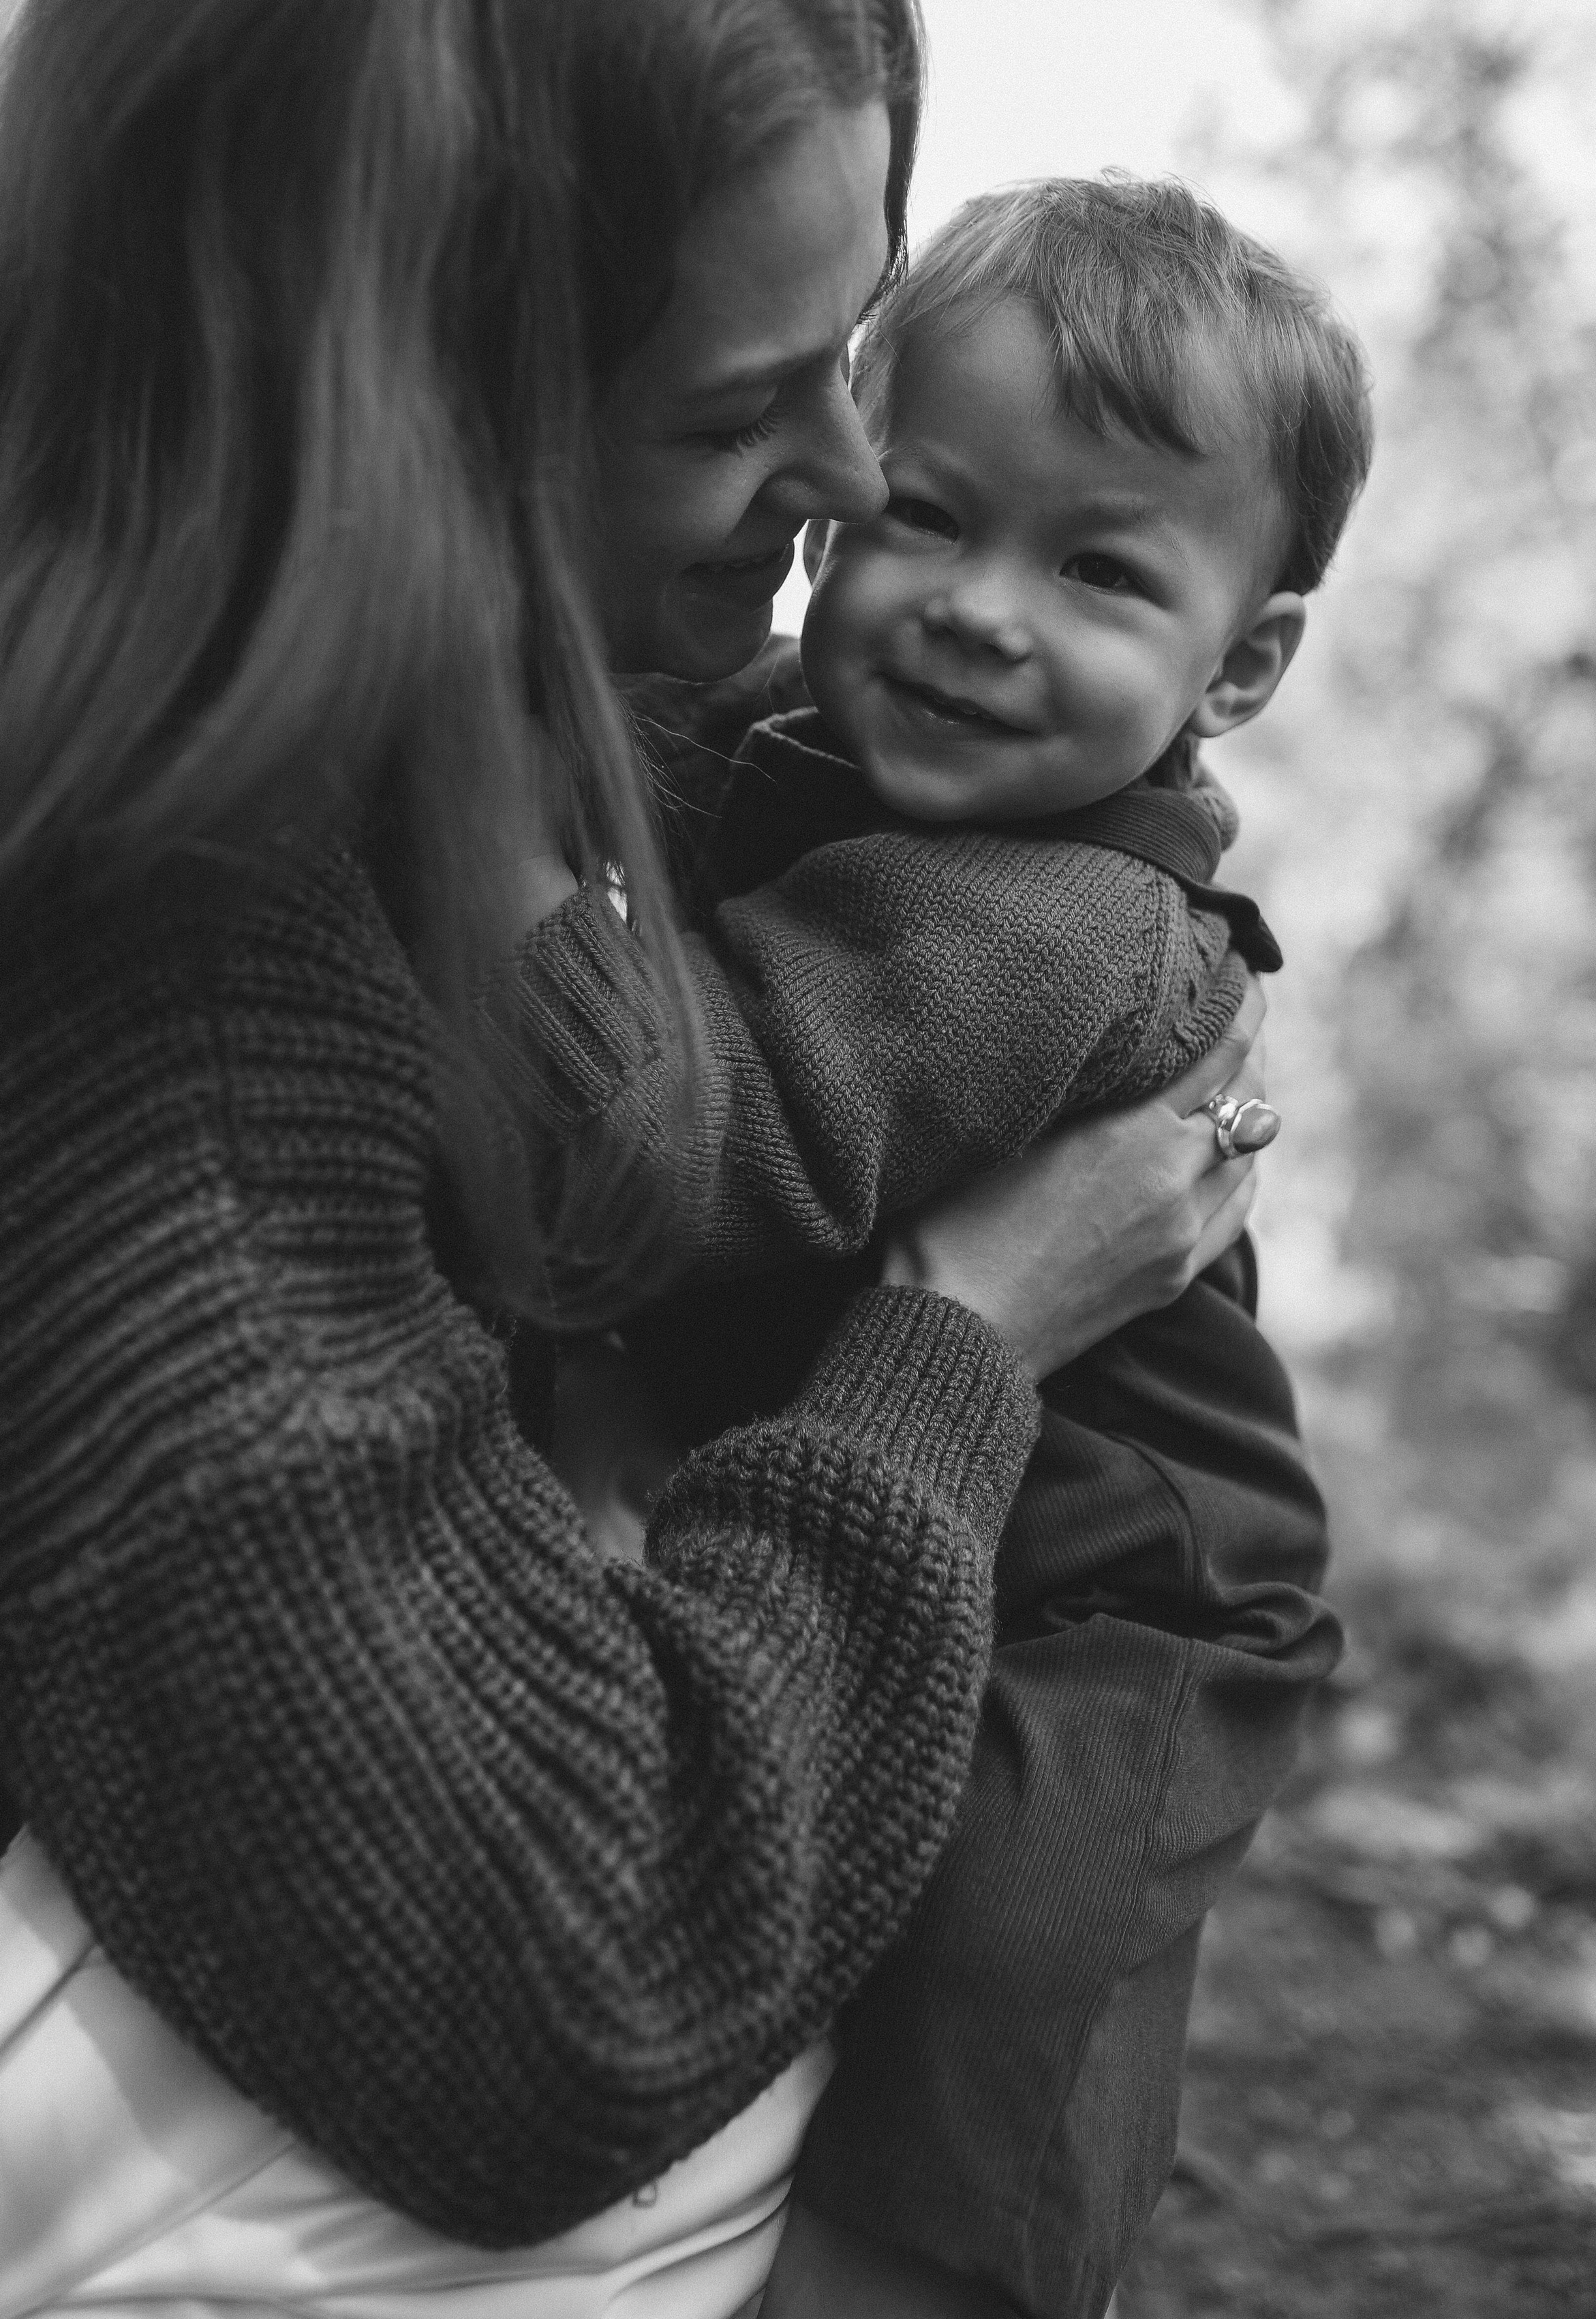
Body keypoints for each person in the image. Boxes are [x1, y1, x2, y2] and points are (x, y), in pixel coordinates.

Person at [0, 0, 1267, 2316]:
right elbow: (562, 1989)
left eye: (858, 341)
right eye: (743, 410)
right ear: (399, 428)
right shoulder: (114, 954)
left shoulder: (406, 731)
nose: (857, 471)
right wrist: (967, 1335)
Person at [544, 175, 1366, 2314]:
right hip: (925, 1497)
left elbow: (697, 1145)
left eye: (1098, 567)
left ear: (1241, 661)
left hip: (1119, 1607)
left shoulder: (1049, 920)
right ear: (833, 507)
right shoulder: (801, 754)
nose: (977, 608)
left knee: (1008, 1996)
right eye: (928, 512)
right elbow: (620, 767)